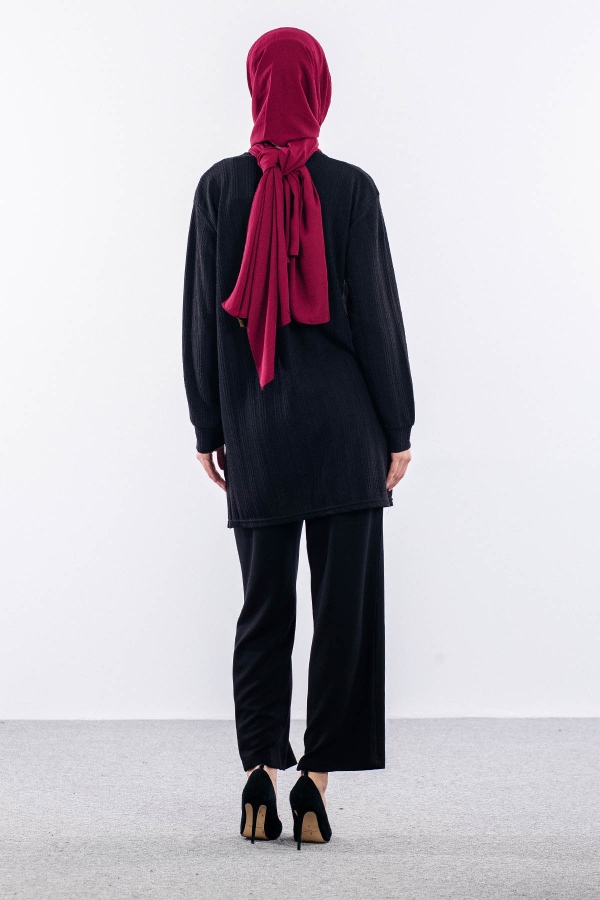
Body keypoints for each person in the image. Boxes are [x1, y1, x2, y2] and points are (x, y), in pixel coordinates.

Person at [182, 26, 415, 849]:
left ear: (256, 87)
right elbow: (377, 317)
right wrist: (397, 426)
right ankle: (316, 785)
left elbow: (203, 318)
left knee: (263, 608)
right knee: (343, 611)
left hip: (258, 432)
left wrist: (209, 425)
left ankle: (259, 775)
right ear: (319, 89)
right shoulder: (351, 188)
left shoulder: (218, 188)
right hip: (347, 434)